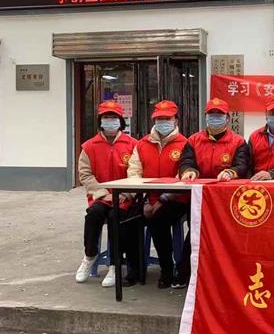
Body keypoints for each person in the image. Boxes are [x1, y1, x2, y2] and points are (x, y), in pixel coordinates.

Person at [177, 97, 250, 287]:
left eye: (219, 115)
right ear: (206, 117)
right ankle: (186, 273)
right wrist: (189, 171)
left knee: (225, 234)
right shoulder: (193, 140)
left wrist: (231, 172)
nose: (215, 118)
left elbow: (243, 165)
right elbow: (186, 161)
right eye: (211, 114)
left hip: (226, 199)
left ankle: (225, 274)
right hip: (199, 197)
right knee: (196, 231)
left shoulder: (238, 142)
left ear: (227, 118)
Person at [75, 100, 138, 288]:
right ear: (100, 121)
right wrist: (102, 193)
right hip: (101, 197)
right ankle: (89, 256)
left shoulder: (132, 145)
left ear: (121, 121)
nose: (110, 121)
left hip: (124, 199)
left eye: (113, 117)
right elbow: (85, 175)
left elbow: (136, 172)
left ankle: (115, 264)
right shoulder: (89, 147)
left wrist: (126, 194)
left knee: (115, 218)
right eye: (106, 117)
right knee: (93, 215)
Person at [127, 100, 189, 289]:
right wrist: (144, 199)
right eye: (159, 118)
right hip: (148, 198)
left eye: (167, 118)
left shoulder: (186, 144)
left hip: (177, 199)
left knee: (158, 220)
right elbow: (134, 172)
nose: (163, 122)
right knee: (126, 219)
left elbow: (183, 175)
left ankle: (167, 269)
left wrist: (162, 200)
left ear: (176, 120)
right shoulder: (142, 144)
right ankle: (134, 269)